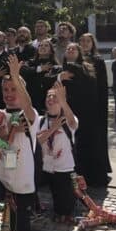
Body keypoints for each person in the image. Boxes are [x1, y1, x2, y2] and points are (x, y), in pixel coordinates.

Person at [0, 55, 39, 231]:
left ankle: (20, 223)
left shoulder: (30, 115)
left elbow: (28, 106)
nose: (9, 93)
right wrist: (2, 136)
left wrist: (15, 75)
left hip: (21, 180)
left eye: (14, 89)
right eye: (6, 89)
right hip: (0, 173)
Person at [60, 43, 106, 186]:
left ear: (79, 52)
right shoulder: (62, 68)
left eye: (74, 49)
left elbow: (82, 78)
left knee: (85, 145)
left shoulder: (85, 68)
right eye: (68, 49)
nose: (70, 50)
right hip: (68, 111)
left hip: (85, 113)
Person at [38, 82, 79, 222]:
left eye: (54, 97)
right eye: (48, 96)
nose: (50, 99)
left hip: (63, 168)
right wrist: (52, 129)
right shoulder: (40, 121)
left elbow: (72, 122)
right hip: (44, 167)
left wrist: (63, 101)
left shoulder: (67, 119)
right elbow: (36, 142)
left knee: (63, 210)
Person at [79, 33, 111, 176]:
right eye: (82, 41)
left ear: (93, 44)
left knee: (95, 139)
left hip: (94, 106)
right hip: (79, 106)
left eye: (88, 41)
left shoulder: (98, 60)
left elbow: (102, 86)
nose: (85, 43)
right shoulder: (76, 59)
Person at [21, 39, 61, 114]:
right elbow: (22, 71)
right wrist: (40, 68)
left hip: (47, 102)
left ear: (51, 50)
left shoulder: (55, 66)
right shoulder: (30, 62)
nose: (43, 47)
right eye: (40, 45)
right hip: (30, 99)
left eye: (46, 45)